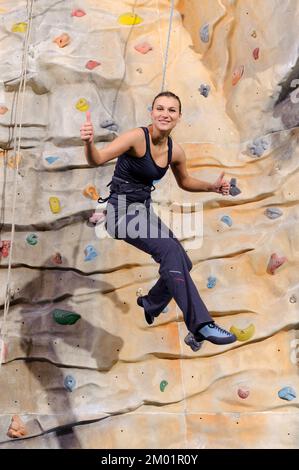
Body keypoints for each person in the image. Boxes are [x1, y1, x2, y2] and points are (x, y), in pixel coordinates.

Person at [80, 91, 237, 348]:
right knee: (169, 251)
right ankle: (200, 326)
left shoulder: (175, 151)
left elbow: (184, 181)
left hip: (143, 210)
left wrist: (212, 187)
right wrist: (88, 143)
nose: (165, 114)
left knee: (182, 260)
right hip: (120, 213)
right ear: (151, 112)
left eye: (171, 110)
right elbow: (96, 159)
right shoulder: (136, 138)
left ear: (179, 117)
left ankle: (151, 303)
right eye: (160, 109)